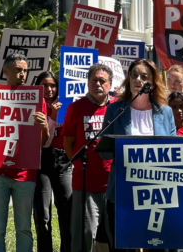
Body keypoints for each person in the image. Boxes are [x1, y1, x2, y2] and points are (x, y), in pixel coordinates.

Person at [0, 53, 53, 252]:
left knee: (24, 228)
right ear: (5, 71)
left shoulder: (36, 100)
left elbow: (42, 143)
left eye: (25, 71)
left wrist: (44, 127)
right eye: (18, 70)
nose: (23, 74)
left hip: (25, 174)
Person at [101, 59, 174, 252]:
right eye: (134, 75)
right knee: (123, 246)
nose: (138, 79)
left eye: (144, 76)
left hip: (157, 191)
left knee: (158, 245)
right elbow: (104, 151)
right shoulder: (115, 109)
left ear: (153, 81)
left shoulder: (165, 112)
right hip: (123, 189)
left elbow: (175, 151)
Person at [63, 64, 113, 252]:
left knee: (114, 236)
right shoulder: (75, 108)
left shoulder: (117, 108)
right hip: (85, 184)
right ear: (88, 82)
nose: (98, 84)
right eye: (94, 80)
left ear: (110, 84)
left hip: (113, 183)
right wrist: (78, 164)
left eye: (102, 81)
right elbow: (68, 143)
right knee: (84, 234)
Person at [34, 71, 72, 252]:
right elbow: (45, 141)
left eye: (53, 85)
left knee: (66, 210)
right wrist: (53, 115)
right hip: (41, 161)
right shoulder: (34, 108)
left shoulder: (67, 105)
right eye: (44, 85)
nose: (49, 89)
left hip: (63, 161)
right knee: (43, 215)